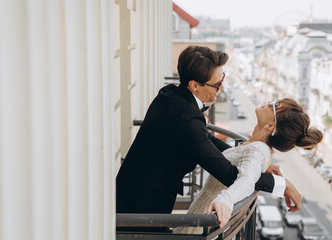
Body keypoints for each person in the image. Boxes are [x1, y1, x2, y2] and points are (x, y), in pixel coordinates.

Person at [116, 46, 302, 230]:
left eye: (222, 80)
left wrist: (241, 154)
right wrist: (281, 184)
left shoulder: (171, 94)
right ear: (194, 85)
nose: (221, 88)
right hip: (143, 202)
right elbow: (229, 175)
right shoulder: (186, 117)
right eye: (217, 84)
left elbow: (204, 138)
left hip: (135, 188)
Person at [175, 98, 323, 233]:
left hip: (202, 222)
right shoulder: (256, 146)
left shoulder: (258, 150)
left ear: (271, 126)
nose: (270, 102)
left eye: (275, 106)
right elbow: (231, 158)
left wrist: (225, 200)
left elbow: (247, 179)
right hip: (198, 214)